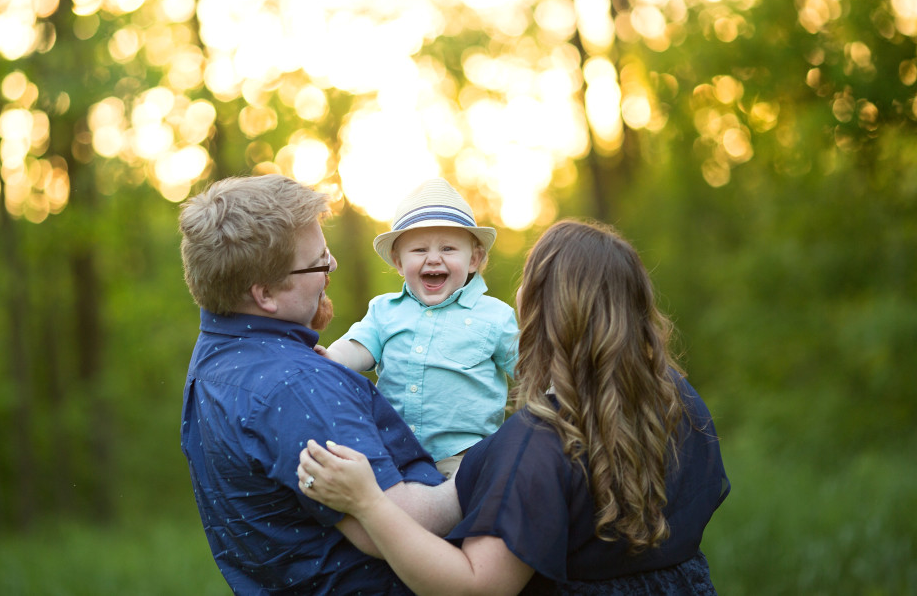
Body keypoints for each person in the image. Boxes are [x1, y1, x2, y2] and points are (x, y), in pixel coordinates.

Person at [298, 218, 731, 595]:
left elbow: (475, 585)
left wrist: (365, 503)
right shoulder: (676, 396)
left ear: (540, 308)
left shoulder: (536, 441)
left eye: (528, 280)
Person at [178, 174, 460, 595]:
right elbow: (398, 523)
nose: (331, 267)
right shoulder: (296, 386)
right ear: (266, 294)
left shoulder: (214, 357)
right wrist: (499, 457)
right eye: (318, 261)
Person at [321, 178, 518, 477]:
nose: (434, 258)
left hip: (464, 458)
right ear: (399, 263)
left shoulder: (495, 316)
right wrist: (331, 359)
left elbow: (531, 366)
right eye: (419, 250)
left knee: (457, 514)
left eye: (449, 248)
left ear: (474, 259)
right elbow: (359, 345)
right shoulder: (385, 310)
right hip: (391, 450)